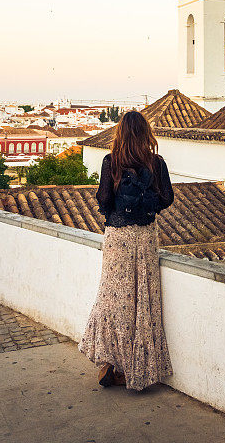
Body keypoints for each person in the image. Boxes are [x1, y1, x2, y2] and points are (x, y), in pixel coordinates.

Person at [78, 110, 174, 390]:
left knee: (113, 298)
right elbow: (167, 197)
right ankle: (138, 369)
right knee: (142, 300)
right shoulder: (156, 163)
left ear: (120, 133)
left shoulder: (112, 162)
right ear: (146, 134)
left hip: (117, 237)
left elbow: (104, 198)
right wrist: (147, 203)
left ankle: (111, 361)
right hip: (144, 237)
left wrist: (116, 209)